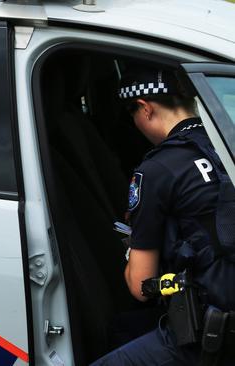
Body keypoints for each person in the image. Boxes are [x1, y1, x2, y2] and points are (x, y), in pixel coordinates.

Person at [91, 67, 235, 365]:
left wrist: (132, 248)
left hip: (209, 334)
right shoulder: (224, 143)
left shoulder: (157, 169)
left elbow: (140, 286)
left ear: (145, 109)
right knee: (122, 329)